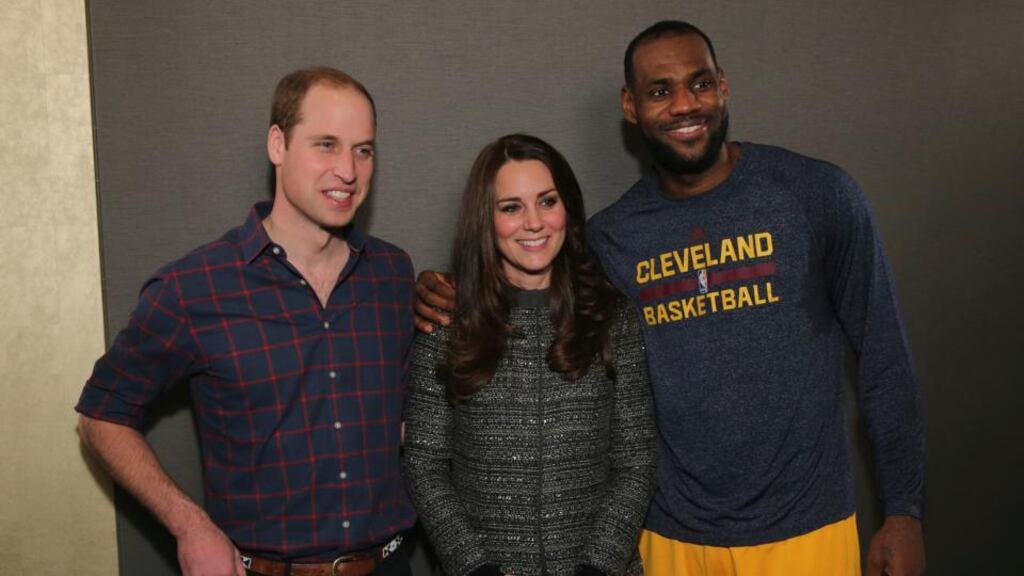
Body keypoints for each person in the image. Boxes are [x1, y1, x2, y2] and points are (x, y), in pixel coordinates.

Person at [414, 21, 926, 576]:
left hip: (805, 527)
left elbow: (884, 359)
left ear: (723, 85)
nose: (685, 104)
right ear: (630, 107)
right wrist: (448, 289)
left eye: (700, 83)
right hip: (669, 537)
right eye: (660, 90)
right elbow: (531, 283)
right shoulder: (611, 238)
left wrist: (904, 510)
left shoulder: (817, 195)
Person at [76, 67, 416, 576]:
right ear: (278, 144)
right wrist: (189, 525)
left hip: (389, 566)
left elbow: (412, 419)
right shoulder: (196, 287)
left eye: (363, 149)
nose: (347, 170)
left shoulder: (392, 275)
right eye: (326, 144)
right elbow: (101, 416)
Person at [402, 134, 656, 576]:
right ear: (486, 219)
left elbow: (636, 462)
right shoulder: (445, 321)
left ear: (567, 209)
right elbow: (424, 464)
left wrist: (598, 567)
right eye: (511, 207)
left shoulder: (613, 318)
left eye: (547, 201)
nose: (534, 222)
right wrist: (475, 568)